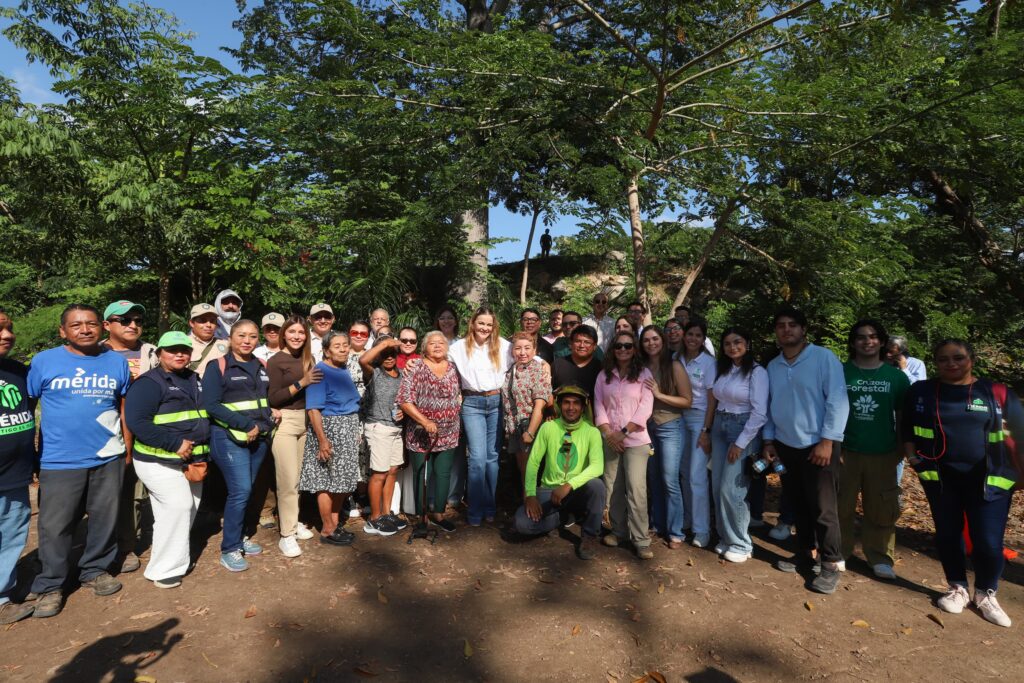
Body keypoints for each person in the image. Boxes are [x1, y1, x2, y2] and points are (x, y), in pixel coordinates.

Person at [903, 339, 1024, 627]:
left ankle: (986, 593)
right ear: (935, 362)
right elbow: (906, 424)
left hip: (990, 481)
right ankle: (957, 587)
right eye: (943, 359)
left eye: (958, 357)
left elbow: (1020, 433)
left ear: (971, 359)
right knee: (947, 534)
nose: (951, 363)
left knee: (988, 541)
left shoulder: (995, 392)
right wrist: (913, 458)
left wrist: (1019, 477)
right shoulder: (922, 391)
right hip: (941, 479)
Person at [28, 304, 131, 618]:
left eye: (90, 323)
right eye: (76, 325)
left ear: (101, 327)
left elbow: (123, 405)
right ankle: (51, 584)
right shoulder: (44, 361)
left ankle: (95, 570)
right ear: (63, 331)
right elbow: (27, 406)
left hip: (107, 456)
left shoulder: (115, 361)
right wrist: (29, 454)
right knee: (54, 525)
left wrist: (126, 447)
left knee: (103, 518)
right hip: (59, 459)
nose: (84, 329)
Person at [762, 306, 849, 595]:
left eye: (792, 325)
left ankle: (831, 562)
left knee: (823, 508)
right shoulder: (773, 366)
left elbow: (837, 400)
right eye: (781, 325)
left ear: (803, 330)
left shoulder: (823, 358)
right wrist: (770, 441)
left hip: (819, 446)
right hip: (787, 446)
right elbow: (771, 407)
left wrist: (828, 441)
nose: (786, 330)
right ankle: (805, 553)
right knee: (797, 502)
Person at [124, 331, 209, 589]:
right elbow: (137, 422)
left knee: (183, 509)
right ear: (160, 353)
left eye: (184, 349)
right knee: (179, 506)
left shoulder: (195, 378)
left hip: (193, 459)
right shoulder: (149, 383)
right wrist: (175, 443)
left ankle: (168, 557)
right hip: (158, 460)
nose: (179, 354)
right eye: (172, 350)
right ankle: (165, 569)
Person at [203, 319, 278, 572]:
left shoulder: (262, 365)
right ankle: (230, 548)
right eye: (242, 335)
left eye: (253, 336)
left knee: (251, 489)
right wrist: (245, 425)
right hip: (229, 437)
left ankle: (243, 535)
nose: (247, 340)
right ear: (230, 338)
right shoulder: (218, 366)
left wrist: (271, 412)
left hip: (259, 437)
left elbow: (263, 398)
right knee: (240, 491)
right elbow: (210, 404)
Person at [838, 320, 910, 580]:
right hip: (845, 450)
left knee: (882, 507)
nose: (866, 341)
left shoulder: (896, 377)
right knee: (839, 505)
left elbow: (903, 416)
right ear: (852, 342)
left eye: (872, 337)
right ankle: (838, 551)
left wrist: (901, 448)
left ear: (881, 342)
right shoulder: (841, 372)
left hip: (883, 451)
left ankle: (880, 557)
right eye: (860, 337)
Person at [514, 386, 606, 559]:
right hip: (549, 491)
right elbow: (533, 461)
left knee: (597, 486)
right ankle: (562, 517)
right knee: (522, 523)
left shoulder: (591, 432)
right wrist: (530, 495)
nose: (571, 408)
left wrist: (569, 485)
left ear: (584, 406)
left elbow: (597, 466)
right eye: (566, 403)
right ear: (559, 405)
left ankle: (589, 536)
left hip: (576, 491)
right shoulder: (548, 428)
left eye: (576, 403)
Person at [700, 327, 768, 563]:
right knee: (718, 485)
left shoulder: (757, 372)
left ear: (747, 343)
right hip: (720, 425)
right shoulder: (723, 369)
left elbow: (759, 413)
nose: (732, 347)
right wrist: (707, 431)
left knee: (734, 489)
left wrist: (740, 443)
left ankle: (741, 542)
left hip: (743, 428)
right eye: (727, 343)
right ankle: (726, 537)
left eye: (737, 342)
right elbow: (714, 401)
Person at [101, 299, 157, 575]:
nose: (133, 325)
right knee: (101, 494)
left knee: (133, 494)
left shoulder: (152, 352)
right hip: (103, 433)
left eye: (137, 320)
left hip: (144, 432)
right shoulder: (95, 353)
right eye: (124, 320)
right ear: (107, 325)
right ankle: (98, 548)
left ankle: (126, 546)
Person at [596, 331, 655, 559]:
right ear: (613, 348)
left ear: (634, 349)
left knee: (636, 489)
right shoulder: (604, 375)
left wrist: (623, 433)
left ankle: (640, 539)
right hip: (610, 439)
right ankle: (619, 531)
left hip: (636, 441)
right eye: (619, 346)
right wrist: (609, 433)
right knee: (613, 487)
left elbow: (645, 407)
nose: (623, 350)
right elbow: (599, 404)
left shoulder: (644, 374)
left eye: (628, 346)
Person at [300, 331, 362, 546]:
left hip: (347, 428)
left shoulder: (343, 370)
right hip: (329, 430)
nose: (344, 349)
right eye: (337, 346)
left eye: (346, 345)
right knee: (325, 482)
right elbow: (313, 410)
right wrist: (323, 440)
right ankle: (327, 529)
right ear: (326, 350)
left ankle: (334, 523)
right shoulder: (320, 371)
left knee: (342, 481)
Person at [448, 308, 510, 526]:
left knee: (492, 458)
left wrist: (544, 364)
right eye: (481, 323)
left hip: (496, 403)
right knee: (476, 459)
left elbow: (526, 355)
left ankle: (489, 506)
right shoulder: (458, 347)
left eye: (489, 325)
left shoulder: (503, 346)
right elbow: (438, 362)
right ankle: (475, 510)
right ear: (472, 323)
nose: (485, 328)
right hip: (472, 403)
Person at [266, 316, 322, 557]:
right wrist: (302, 382)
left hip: (306, 422)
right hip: (286, 422)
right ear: (284, 335)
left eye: (301, 332)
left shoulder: (310, 359)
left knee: (299, 478)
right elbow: (274, 398)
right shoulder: (276, 361)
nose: (297, 336)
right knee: (287, 480)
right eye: (292, 332)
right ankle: (286, 535)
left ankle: (293, 521)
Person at [397, 331, 462, 533]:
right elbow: (405, 400)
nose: (437, 346)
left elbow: (459, 392)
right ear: (424, 348)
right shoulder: (416, 367)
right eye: (432, 343)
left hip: (449, 430)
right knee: (421, 474)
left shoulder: (452, 367)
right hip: (421, 432)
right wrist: (424, 421)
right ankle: (421, 517)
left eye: (441, 342)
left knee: (443, 473)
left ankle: (439, 514)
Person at [639, 327, 693, 548]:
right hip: (647, 427)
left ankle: (675, 531)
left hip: (670, 426)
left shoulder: (674, 365)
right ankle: (658, 523)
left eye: (655, 339)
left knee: (670, 480)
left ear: (662, 341)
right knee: (654, 478)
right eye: (646, 340)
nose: (651, 343)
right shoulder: (641, 367)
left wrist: (660, 394)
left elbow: (687, 401)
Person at [0, 313, 36, 623]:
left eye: (9, 327)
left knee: (12, 533)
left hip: (15, 473)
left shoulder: (18, 371)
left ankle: (2, 596)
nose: (7, 334)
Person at [359, 337, 410, 536]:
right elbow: (363, 360)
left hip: (396, 429)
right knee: (379, 473)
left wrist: (404, 413)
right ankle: (374, 518)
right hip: (378, 427)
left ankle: (386, 513)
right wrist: (385, 343)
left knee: (391, 471)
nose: (388, 357)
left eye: (392, 353)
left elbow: (405, 400)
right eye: (384, 354)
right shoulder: (375, 373)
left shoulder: (402, 375)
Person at [679, 319, 716, 548]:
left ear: (704, 339)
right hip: (678, 418)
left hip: (699, 418)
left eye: (698, 335)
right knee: (683, 472)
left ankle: (702, 529)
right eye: (690, 334)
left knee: (697, 476)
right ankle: (688, 519)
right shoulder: (677, 359)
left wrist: (706, 429)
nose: (693, 338)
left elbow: (713, 399)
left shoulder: (709, 363)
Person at [502, 332, 552, 493]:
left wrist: (530, 432)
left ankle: (532, 504)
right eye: (518, 348)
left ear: (534, 350)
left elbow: (540, 406)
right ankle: (527, 502)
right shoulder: (510, 370)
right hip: (514, 426)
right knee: (522, 469)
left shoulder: (539, 371)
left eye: (527, 348)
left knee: (531, 469)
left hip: (530, 426)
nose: (522, 352)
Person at [551, 324, 603, 399]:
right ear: (571, 344)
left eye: (587, 342)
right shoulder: (557, 365)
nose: (582, 345)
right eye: (578, 341)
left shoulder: (601, 368)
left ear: (594, 346)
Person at [187, 303, 227, 376]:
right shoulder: (182, 344)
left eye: (212, 321)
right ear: (192, 323)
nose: (208, 325)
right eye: (202, 320)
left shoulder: (227, 345)